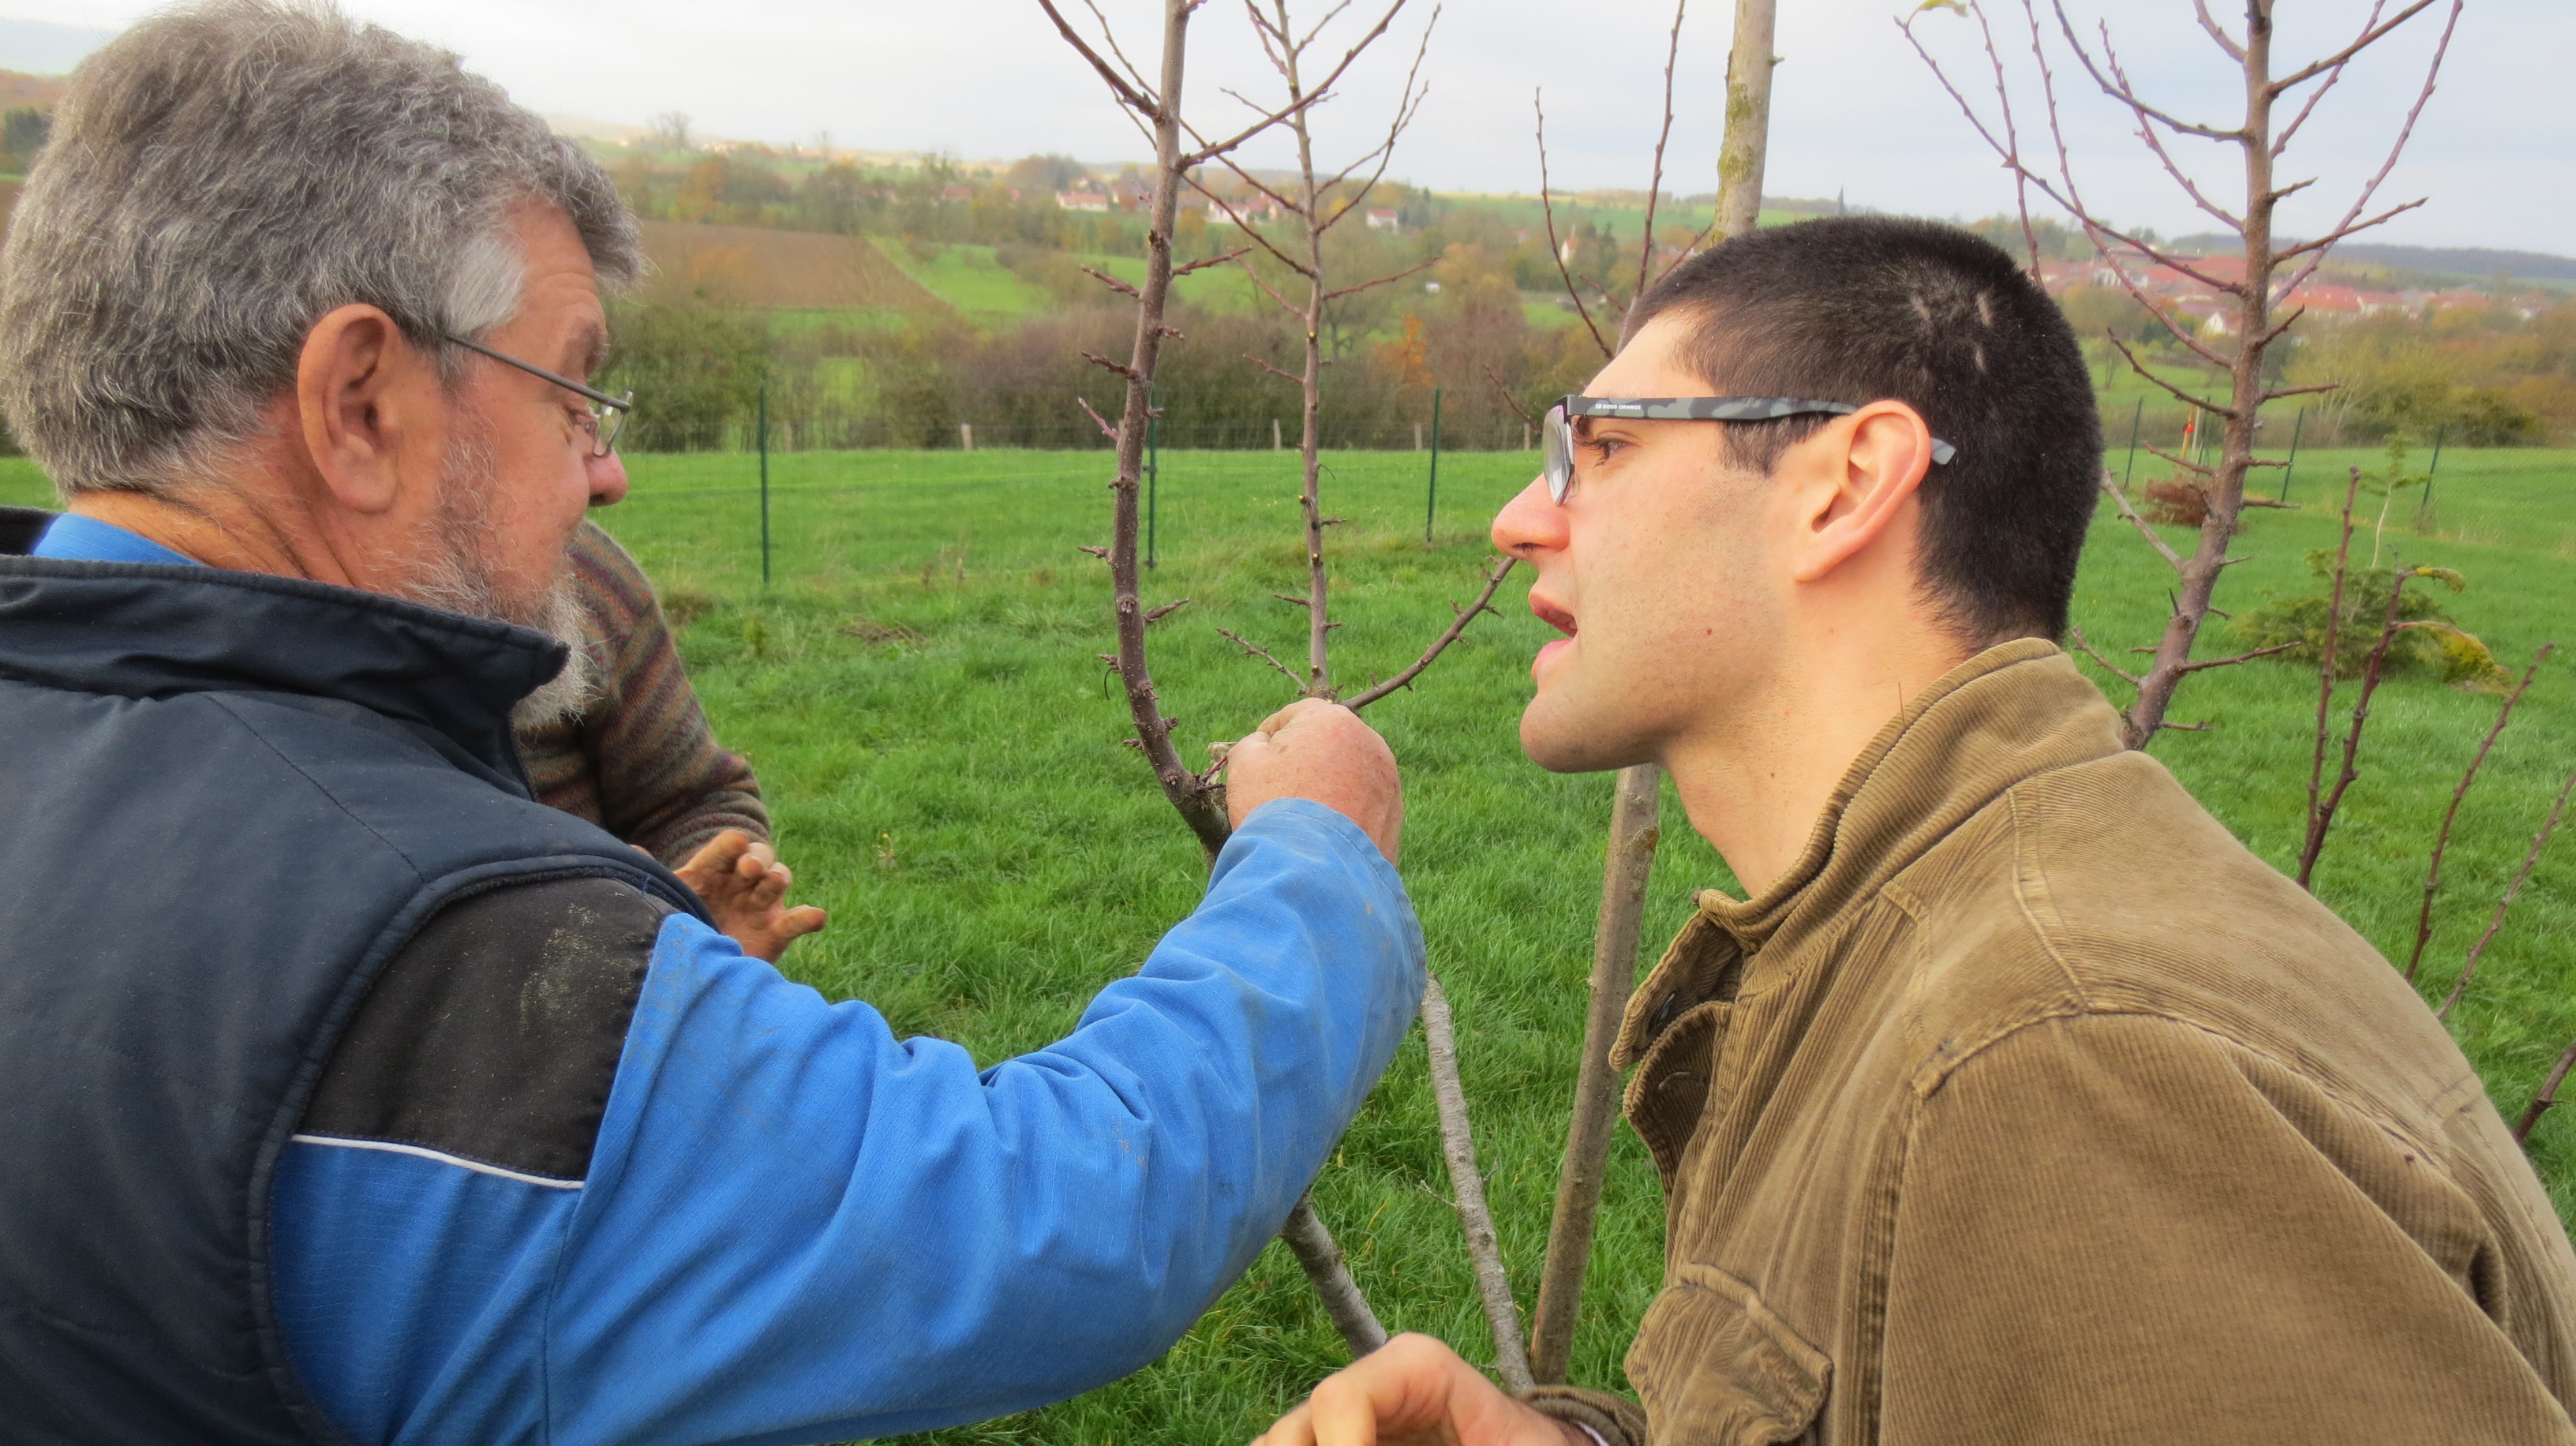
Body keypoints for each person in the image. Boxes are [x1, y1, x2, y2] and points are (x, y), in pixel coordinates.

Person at [0, 6, 1421, 1444]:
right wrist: (1312, 856)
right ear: (360, 403)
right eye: (571, 390)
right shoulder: (438, 969)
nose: (607, 473)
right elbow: (1044, 1215)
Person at [1256, 217, 2576, 1446]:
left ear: (1842, 484)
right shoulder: (1943, 932)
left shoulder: (2062, 1062)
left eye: (1601, 445)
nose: (1520, 516)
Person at [524, 518, 828, 960]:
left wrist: (701, 910)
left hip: (604, 1003)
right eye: (569, 443)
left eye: (598, 443)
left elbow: (686, 802)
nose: (611, 481)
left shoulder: (584, 570)